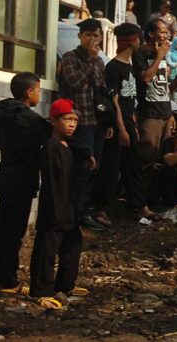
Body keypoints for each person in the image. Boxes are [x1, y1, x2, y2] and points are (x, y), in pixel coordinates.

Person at [0, 72, 50, 294]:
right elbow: (52, 135)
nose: (39, 94)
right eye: (38, 90)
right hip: (22, 179)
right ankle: (9, 281)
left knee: (3, 229)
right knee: (14, 231)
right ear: (29, 92)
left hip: (5, 176)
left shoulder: (5, 115)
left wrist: (9, 146)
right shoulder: (32, 120)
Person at [29, 99, 89, 310]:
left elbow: (84, 151)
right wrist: (57, 211)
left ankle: (65, 285)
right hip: (55, 208)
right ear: (54, 121)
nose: (72, 124)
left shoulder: (69, 144)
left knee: (72, 248)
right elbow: (53, 183)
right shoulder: (51, 147)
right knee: (47, 250)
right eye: (67, 119)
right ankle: (40, 290)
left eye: (74, 120)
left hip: (71, 205)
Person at [56, 18, 109, 231]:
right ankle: (77, 213)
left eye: (96, 35)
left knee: (95, 168)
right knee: (83, 166)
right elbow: (75, 82)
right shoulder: (70, 57)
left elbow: (102, 90)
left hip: (97, 120)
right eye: (88, 35)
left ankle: (86, 210)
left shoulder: (99, 61)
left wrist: (108, 119)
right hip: (80, 120)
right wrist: (89, 60)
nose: (92, 39)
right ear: (80, 36)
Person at [102, 23, 155, 224]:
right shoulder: (114, 67)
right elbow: (113, 99)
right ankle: (102, 208)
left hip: (128, 123)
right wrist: (122, 128)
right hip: (118, 125)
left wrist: (132, 124)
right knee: (112, 167)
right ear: (133, 41)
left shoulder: (129, 66)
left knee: (133, 165)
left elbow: (129, 99)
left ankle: (139, 205)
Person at [132, 19, 175, 206]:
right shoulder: (141, 53)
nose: (166, 35)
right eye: (162, 32)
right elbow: (147, 78)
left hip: (164, 111)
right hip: (149, 114)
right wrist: (159, 57)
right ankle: (140, 204)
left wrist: (171, 112)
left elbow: (164, 86)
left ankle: (156, 199)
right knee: (146, 160)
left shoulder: (163, 53)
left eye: (167, 32)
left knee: (163, 158)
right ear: (151, 34)